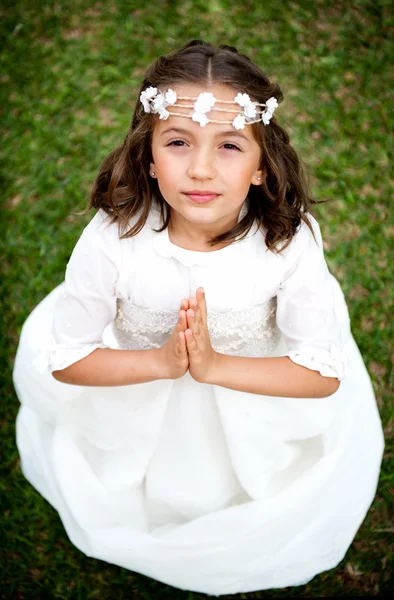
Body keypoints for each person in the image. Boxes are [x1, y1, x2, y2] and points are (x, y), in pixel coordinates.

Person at [13, 40, 384, 595]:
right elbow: (66, 360)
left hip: (256, 392)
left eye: (230, 145)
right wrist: (165, 362)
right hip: (136, 387)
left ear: (263, 166)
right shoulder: (113, 240)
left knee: (250, 477)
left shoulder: (289, 240)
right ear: (148, 156)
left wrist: (211, 367)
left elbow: (322, 373)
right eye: (179, 142)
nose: (202, 168)